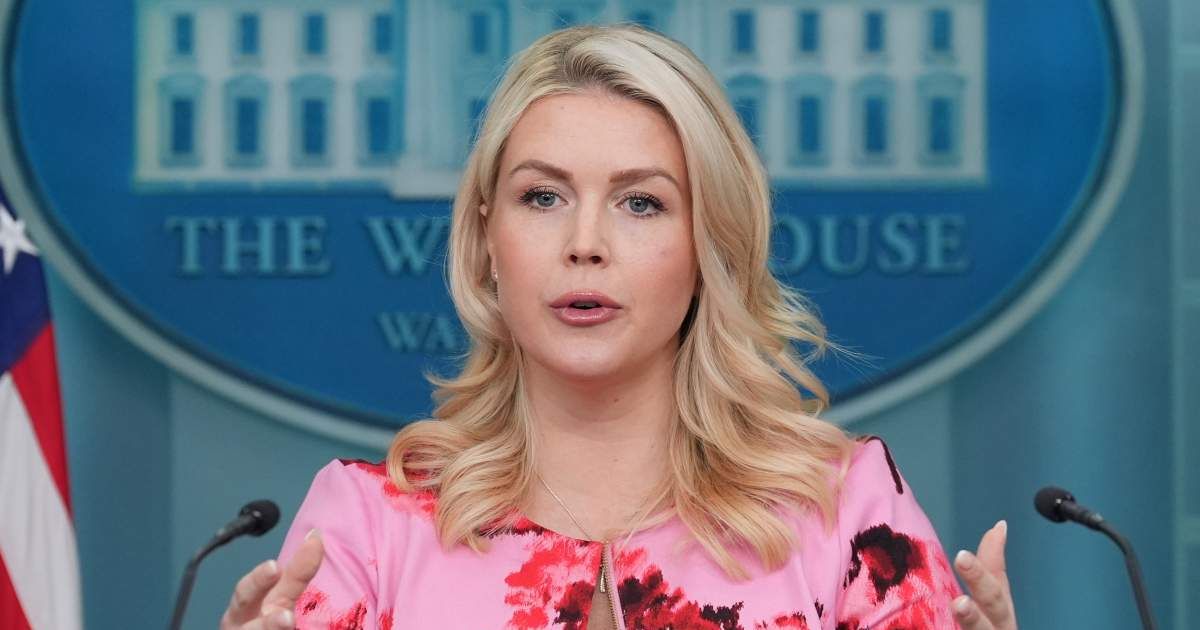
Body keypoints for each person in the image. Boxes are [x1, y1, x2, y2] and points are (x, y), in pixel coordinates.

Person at [219, 24, 1017, 630]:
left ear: (708, 244)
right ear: (487, 238)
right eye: (542, 197)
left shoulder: (843, 511)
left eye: (642, 203)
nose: (585, 243)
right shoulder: (368, 525)